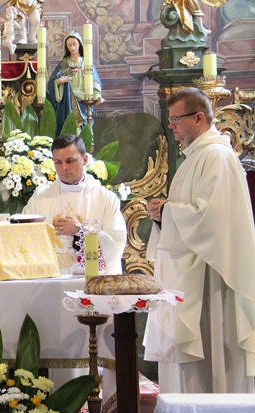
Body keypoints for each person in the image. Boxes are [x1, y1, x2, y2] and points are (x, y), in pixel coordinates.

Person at [143, 87, 255, 393]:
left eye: (177, 119)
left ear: (199, 118)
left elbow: (211, 217)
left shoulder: (216, 156)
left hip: (210, 277)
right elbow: (192, 210)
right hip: (192, 271)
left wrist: (168, 210)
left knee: (212, 353)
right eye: (170, 119)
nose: (172, 126)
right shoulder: (197, 156)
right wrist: (164, 213)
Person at [22, 134, 126, 275]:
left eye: (70, 161)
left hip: (91, 280)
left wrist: (80, 230)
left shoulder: (105, 198)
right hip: (50, 280)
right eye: (58, 162)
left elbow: (115, 243)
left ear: (85, 160)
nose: (64, 167)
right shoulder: (40, 198)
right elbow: (24, 238)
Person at [47, 31, 104, 136]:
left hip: (83, 99)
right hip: (68, 100)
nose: (72, 48)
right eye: (69, 45)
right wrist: (60, 81)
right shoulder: (64, 63)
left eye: (74, 44)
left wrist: (97, 95)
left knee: (84, 128)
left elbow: (95, 81)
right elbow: (51, 82)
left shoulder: (86, 63)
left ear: (79, 44)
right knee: (70, 125)